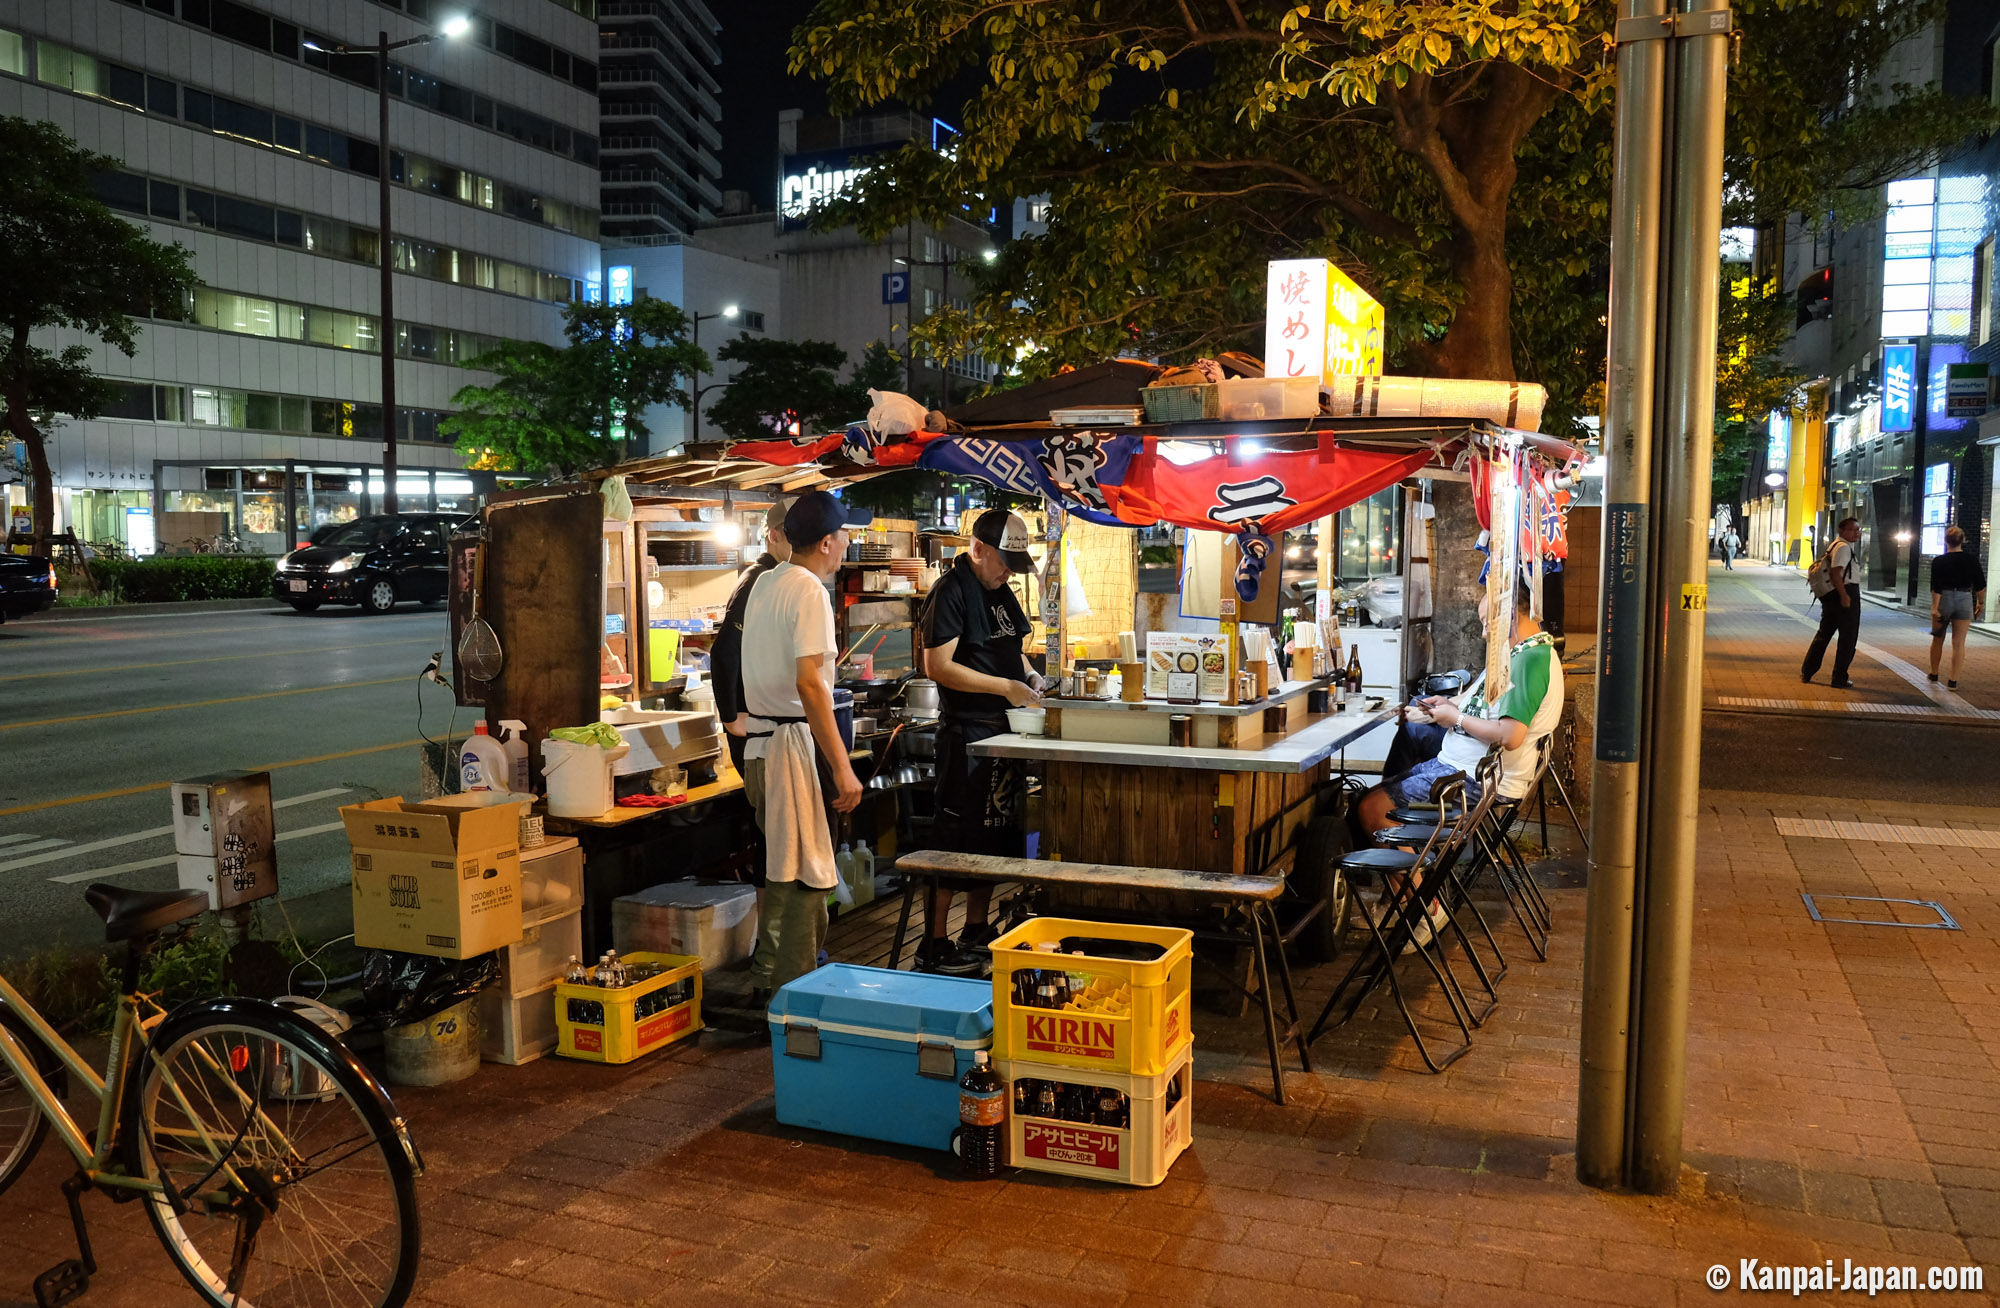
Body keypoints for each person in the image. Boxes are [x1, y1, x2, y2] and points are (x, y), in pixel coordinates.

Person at [738, 492, 863, 1001]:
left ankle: (768, 981)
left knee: (782, 868)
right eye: (847, 536)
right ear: (828, 542)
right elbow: (811, 685)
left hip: (760, 750)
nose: (849, 545)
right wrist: (843, 767)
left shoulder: (766, 581)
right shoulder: (810, 589)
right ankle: (793, 997)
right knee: (806, 876)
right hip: (791, 746)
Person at [913, 508, 1044, 975]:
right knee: (953, 838)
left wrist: (1029, 676)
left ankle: (976, 929)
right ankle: (934, 943)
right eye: (1003, 559)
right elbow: (938, 667)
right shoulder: (951, 592)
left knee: (993, 833)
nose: (1008, 569)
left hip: (1003, 732)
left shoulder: (1001, 589)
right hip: (965, 735)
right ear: (978, 548)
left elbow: (1014, 652)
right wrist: (1005, 687)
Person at [1353, 581, 1564, 836]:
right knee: (1373, 795)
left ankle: (1417, 877)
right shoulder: (1519, 653)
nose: (1485, 633)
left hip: (1478, 778)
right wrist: (1446, 705)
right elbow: (1478, 699)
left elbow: (1511, 736)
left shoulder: (1529, 661)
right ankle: (1410, 863)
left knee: (1370, 809)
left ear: (1508, 617)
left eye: (1487, 623)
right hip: (1460, 764)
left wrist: (1456, 718)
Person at [710, 499, 791, 789]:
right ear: (774, 535)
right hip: (751, 726)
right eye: (794, 533)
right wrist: (730, 717)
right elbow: (723, 650)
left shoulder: (778, 578)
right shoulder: (758, 579)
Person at [1802, 517, 1863, 689]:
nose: (1856, 532)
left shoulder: (1835, 545)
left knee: (1824, 633)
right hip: (1844, 593)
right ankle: (1839, 677)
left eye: (1858, 529)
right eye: (1853, 529)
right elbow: (1837, 572)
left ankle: (1807, 670)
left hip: (1831, 596)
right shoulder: (1843, 547)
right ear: (1842, 531)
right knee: (1848, 638)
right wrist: (1844, 595)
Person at [1928, 525, 1986, 690]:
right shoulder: (1972, 560)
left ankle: (1934, 673)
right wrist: (1980, 603)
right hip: (1964, 598)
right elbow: (1980, 585)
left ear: (1946, 541)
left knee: (1938, 639)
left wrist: (1935, 607)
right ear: (1963, 541)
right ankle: (1953, 680)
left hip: (1944, 598)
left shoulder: (1939, 561)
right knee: (1959, 643)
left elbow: (1936, 586)